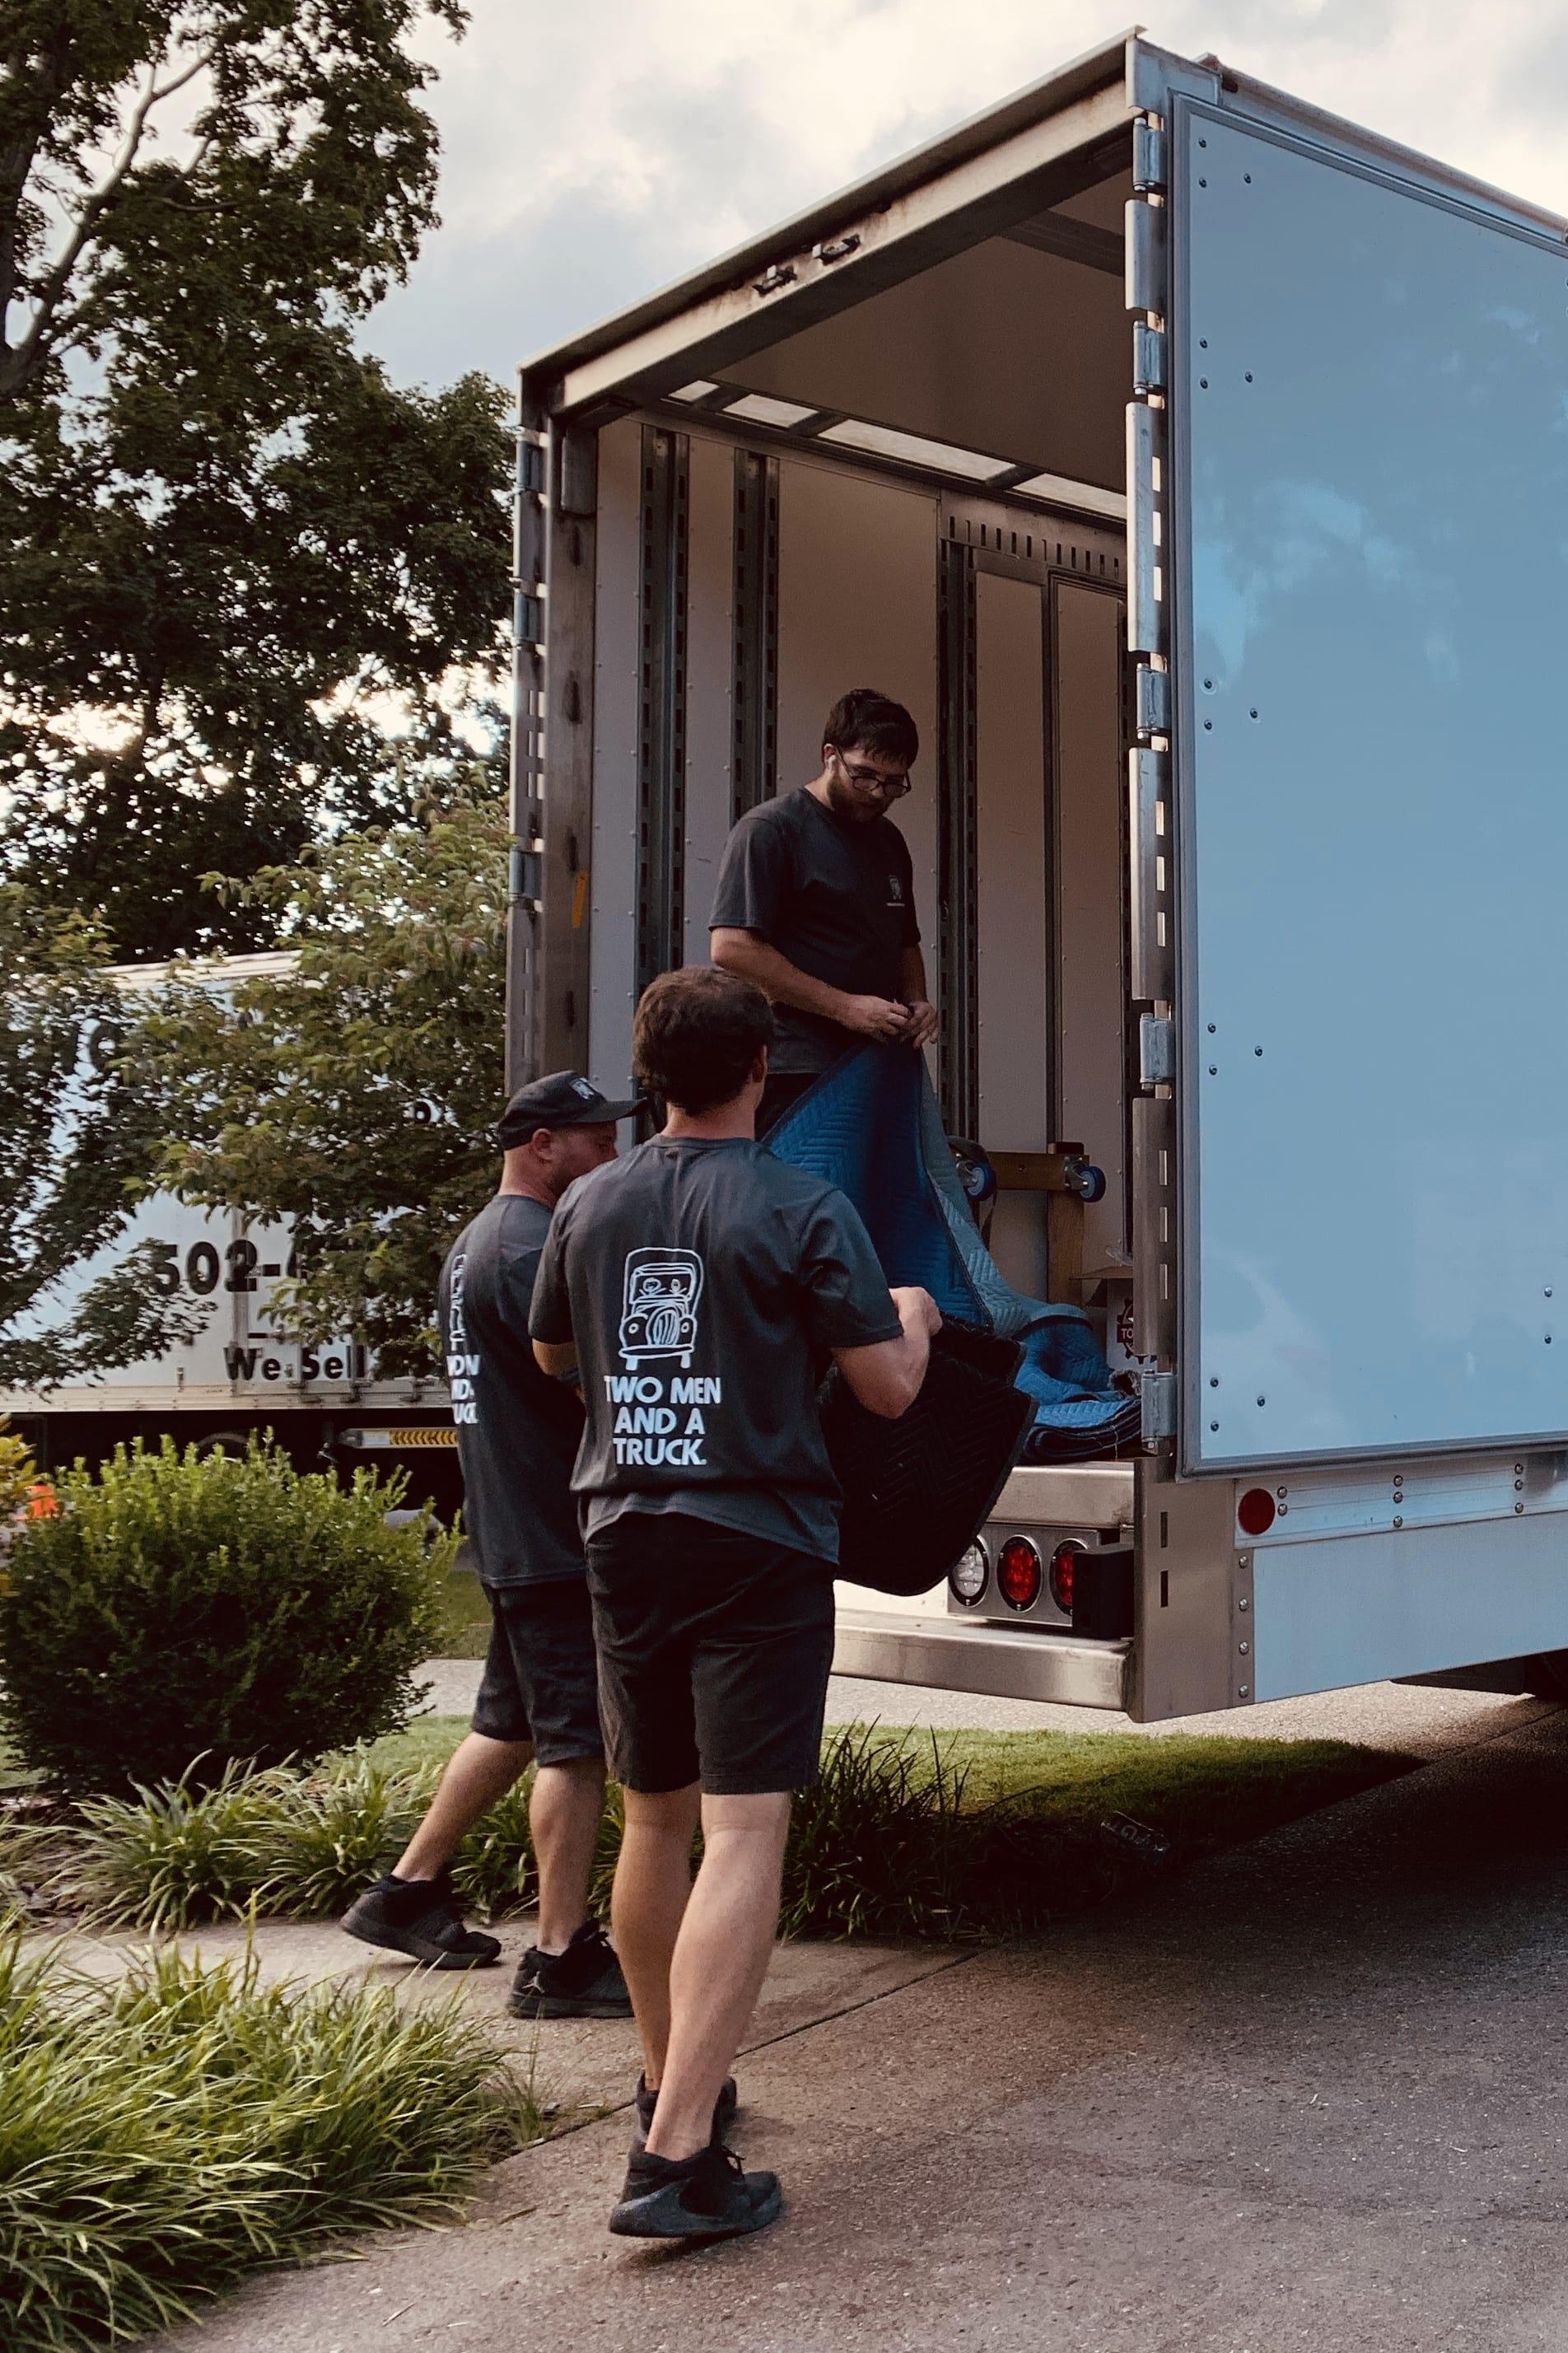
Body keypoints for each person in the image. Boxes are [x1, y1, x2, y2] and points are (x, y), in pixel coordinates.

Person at [530, 966, 939, 2243]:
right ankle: (673, 2156)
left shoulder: (588, 1201)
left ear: (652, 1077)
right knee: (744, 1832)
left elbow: (555, 1355)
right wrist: (911, 1315)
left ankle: (674, 2085)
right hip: (753, 1536)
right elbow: (885, 1392)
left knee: (655, 1820)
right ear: (761, 1069)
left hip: (622, 1529)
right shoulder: (803, 1205)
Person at [343, 1071, 637, 2019]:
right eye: (595, 1139)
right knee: (576, 1747)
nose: (610, 1154)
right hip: (553, 1534)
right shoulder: (527, 1248)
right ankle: (560, 1958)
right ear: (541, 1145)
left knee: (508, 1725)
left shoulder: (480, 1242)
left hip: (512, 1525)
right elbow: (590, 1386)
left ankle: (408, 1893)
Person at [709, 687, 941, 1135]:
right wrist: (843, 1007)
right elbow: (732, 948)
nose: (878, 793)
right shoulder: (771, 830)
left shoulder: (889, 840)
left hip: (874, 1061)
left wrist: (917, 1001)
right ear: (829, 755)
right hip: (795, 1067)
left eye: (895, 783)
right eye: (864, 776)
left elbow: (904, 941)